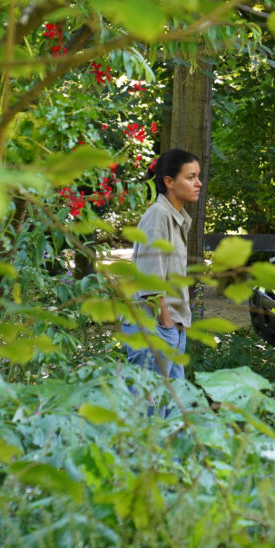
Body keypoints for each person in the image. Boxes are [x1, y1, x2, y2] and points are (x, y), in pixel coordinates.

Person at [122, 148, 203, 380]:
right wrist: (166, 324)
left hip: (170, 326)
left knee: (172, 401)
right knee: (147, 400)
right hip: (155, 326)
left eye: (198, 176)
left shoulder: (175, 217)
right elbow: (150, 280)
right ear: (169, 182)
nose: (199, 183)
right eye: (191, 177)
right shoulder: (158, 216)